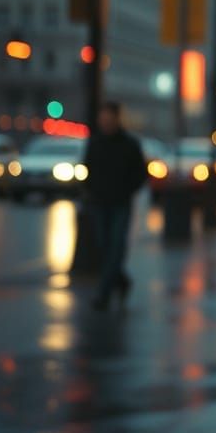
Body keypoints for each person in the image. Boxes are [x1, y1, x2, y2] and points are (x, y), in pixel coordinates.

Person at [83, 101, 147, 310]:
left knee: (116, 246)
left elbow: (140, 173)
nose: (105, 123)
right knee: (104, 245)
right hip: (99, 202)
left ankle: (104, 294)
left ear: (116, 119)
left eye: (109, 119)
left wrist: (127, 190)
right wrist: (90, 189)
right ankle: (121, 281)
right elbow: (87, 168)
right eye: (103, 119)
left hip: (120, 203)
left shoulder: (130, 144)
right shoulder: (95, 143)